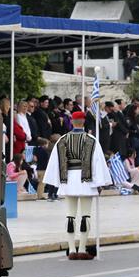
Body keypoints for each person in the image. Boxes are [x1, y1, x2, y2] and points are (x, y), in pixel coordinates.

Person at [42, 111, 112, 260]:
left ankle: (72, 249)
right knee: (86, 215)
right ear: (84, 122)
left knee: (70, 216)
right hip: (86, 181)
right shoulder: (91, 140)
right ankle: (82, 248)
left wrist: (58, 181)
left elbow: (55, 163)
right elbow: (97, 163)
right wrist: (100, 182)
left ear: (72, 122)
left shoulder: (62, 140)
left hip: (68, 181)